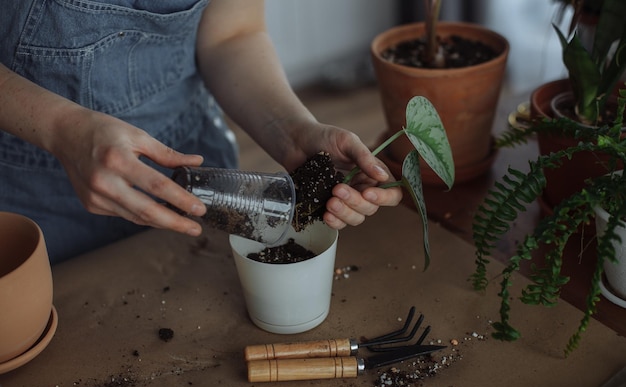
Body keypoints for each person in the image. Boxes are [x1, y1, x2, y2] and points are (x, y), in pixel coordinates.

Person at [0, 0, 402, 265]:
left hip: (199, 177)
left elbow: (231, 34)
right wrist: (61, 128)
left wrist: (293, 132)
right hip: (29, 191)